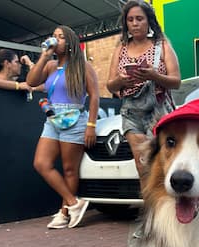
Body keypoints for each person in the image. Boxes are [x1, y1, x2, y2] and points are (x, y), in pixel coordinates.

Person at [27, 25, 100, 229]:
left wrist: (91, 125)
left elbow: (94, 96)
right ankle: (74, 202)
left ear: (69, 43)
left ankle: (64, 212)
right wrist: (43, 56)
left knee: (69, 169)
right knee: (41, 163)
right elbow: (31, 81)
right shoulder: (50, 65)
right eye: (54, 36)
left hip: (75, 118)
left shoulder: (83, 66)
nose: (55, 40)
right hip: (52, 119)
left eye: (60, 37)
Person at [106, 1, 180, 180]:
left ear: (149, 22)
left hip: (159, 112)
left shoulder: (161, 46)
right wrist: (121, 80)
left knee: (161, 164)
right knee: (142, 165)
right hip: (132, 113)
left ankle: (166, 206)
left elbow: (176, 81)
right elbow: (110, 85)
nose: (135, 23)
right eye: (130, 19)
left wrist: (153, 76)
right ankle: (150, 207)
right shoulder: (120, 48)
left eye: (139, 18)